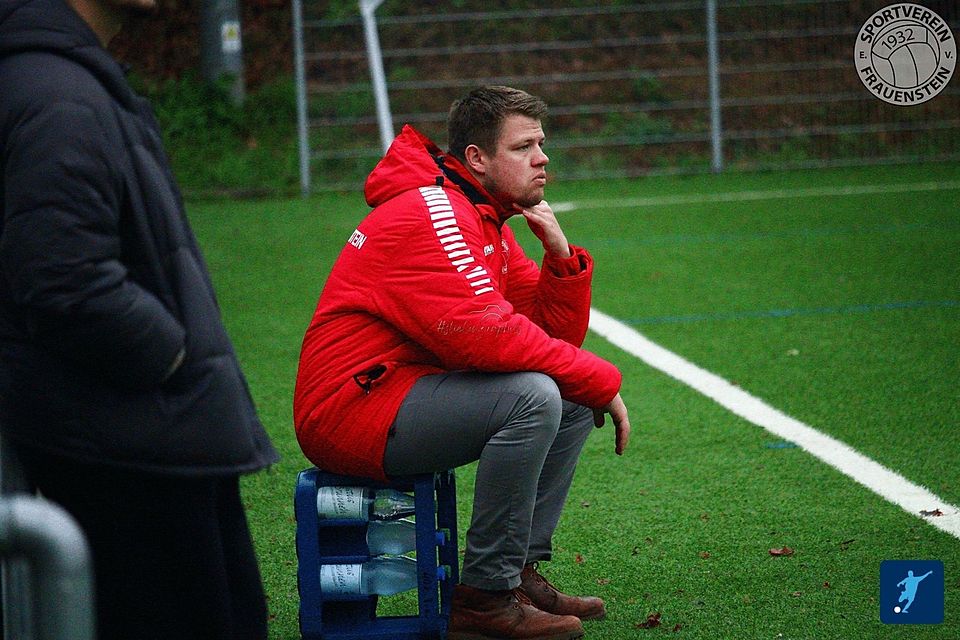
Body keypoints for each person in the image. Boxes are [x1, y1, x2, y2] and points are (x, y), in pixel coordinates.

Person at [295, 86, 630, 640]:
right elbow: (485, 338)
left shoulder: (479, 215)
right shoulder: (437, 212)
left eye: (540, 144)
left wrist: (560, 256)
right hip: (351, 408)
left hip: (403, 390)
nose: (542, 158)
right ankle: (483, 600)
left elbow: (550, 337)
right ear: (477, 158)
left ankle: (517, 574)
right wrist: (600, 379)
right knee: (534, 396)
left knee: (565, 394)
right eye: (523, 147)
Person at [0, 1, 279, 639]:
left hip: (142, 441)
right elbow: (63, 280)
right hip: (135, 451)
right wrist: (171, 356)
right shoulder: (58, 94)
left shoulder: (70, 79)